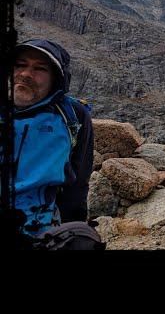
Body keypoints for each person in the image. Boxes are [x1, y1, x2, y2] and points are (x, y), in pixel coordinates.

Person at [10, 38, 102, 249]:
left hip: (41, 229)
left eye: (39, 68)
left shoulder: (72, 116)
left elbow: (77, 182)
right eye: (20, 65)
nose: (25, 74)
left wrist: (73, 225)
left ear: (56, 79)